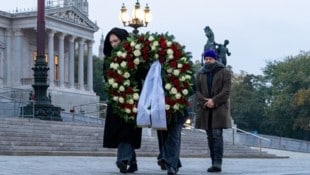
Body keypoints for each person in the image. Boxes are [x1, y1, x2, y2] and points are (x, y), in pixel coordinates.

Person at [102, 27, 142, 174]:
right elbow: (107, 78)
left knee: (127, 130)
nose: (113, 44)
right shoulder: (108, 59)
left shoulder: (134, 56)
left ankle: (123, 160)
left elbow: (140, 75)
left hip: (132, 99)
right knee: (120, 131)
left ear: (123, 40)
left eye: (116, 41)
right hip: (116, 99)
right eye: (111, 42)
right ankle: (132, 162)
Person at [195, 49, 232, 173]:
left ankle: (217, 163)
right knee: (210, 136)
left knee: (217, 135)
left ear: (215, 59)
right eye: (206, 59)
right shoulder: (200, 73)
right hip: (205, 109)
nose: (207, 61)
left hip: (219, 109)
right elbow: (197, 91)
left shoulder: (224, 72)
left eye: (210, 59)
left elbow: (226, 91)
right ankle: (213, 162)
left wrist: (214, 101)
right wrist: (205, 101)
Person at [156, 109, 188, 175]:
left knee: (173, 138)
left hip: (178, 111)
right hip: (162, 112)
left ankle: (171, 165)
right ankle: (171, 161)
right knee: (164, 138)